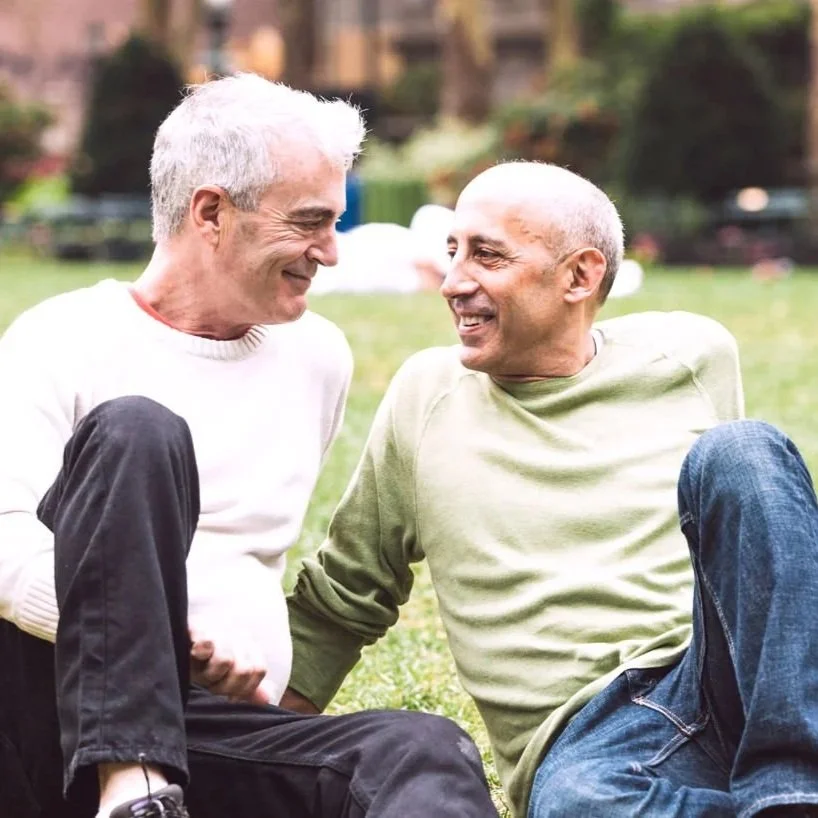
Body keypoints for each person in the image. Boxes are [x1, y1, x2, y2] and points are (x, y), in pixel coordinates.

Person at [0, 74, 500, 818]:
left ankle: (151, 793)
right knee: (137, 429)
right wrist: (165, 637)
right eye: (309, 222)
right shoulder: (61, 337)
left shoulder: (316, 357)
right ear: (211, 212)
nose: (330, 252)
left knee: (420, 748)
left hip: (210, 730)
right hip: (55, 720)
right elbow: (5, 550)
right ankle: (132, 785)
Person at [284, 161, 818, 818]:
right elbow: (344, 598)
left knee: (745, 450)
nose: (454, 282)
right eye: (453, 252)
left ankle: (795, 787)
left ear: (580, 276)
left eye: (487, 255)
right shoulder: (426, 395)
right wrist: (233, 744)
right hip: (588, 743)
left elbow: (754, 555)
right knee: (574, 803)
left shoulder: (692, 353)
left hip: (721, 677)